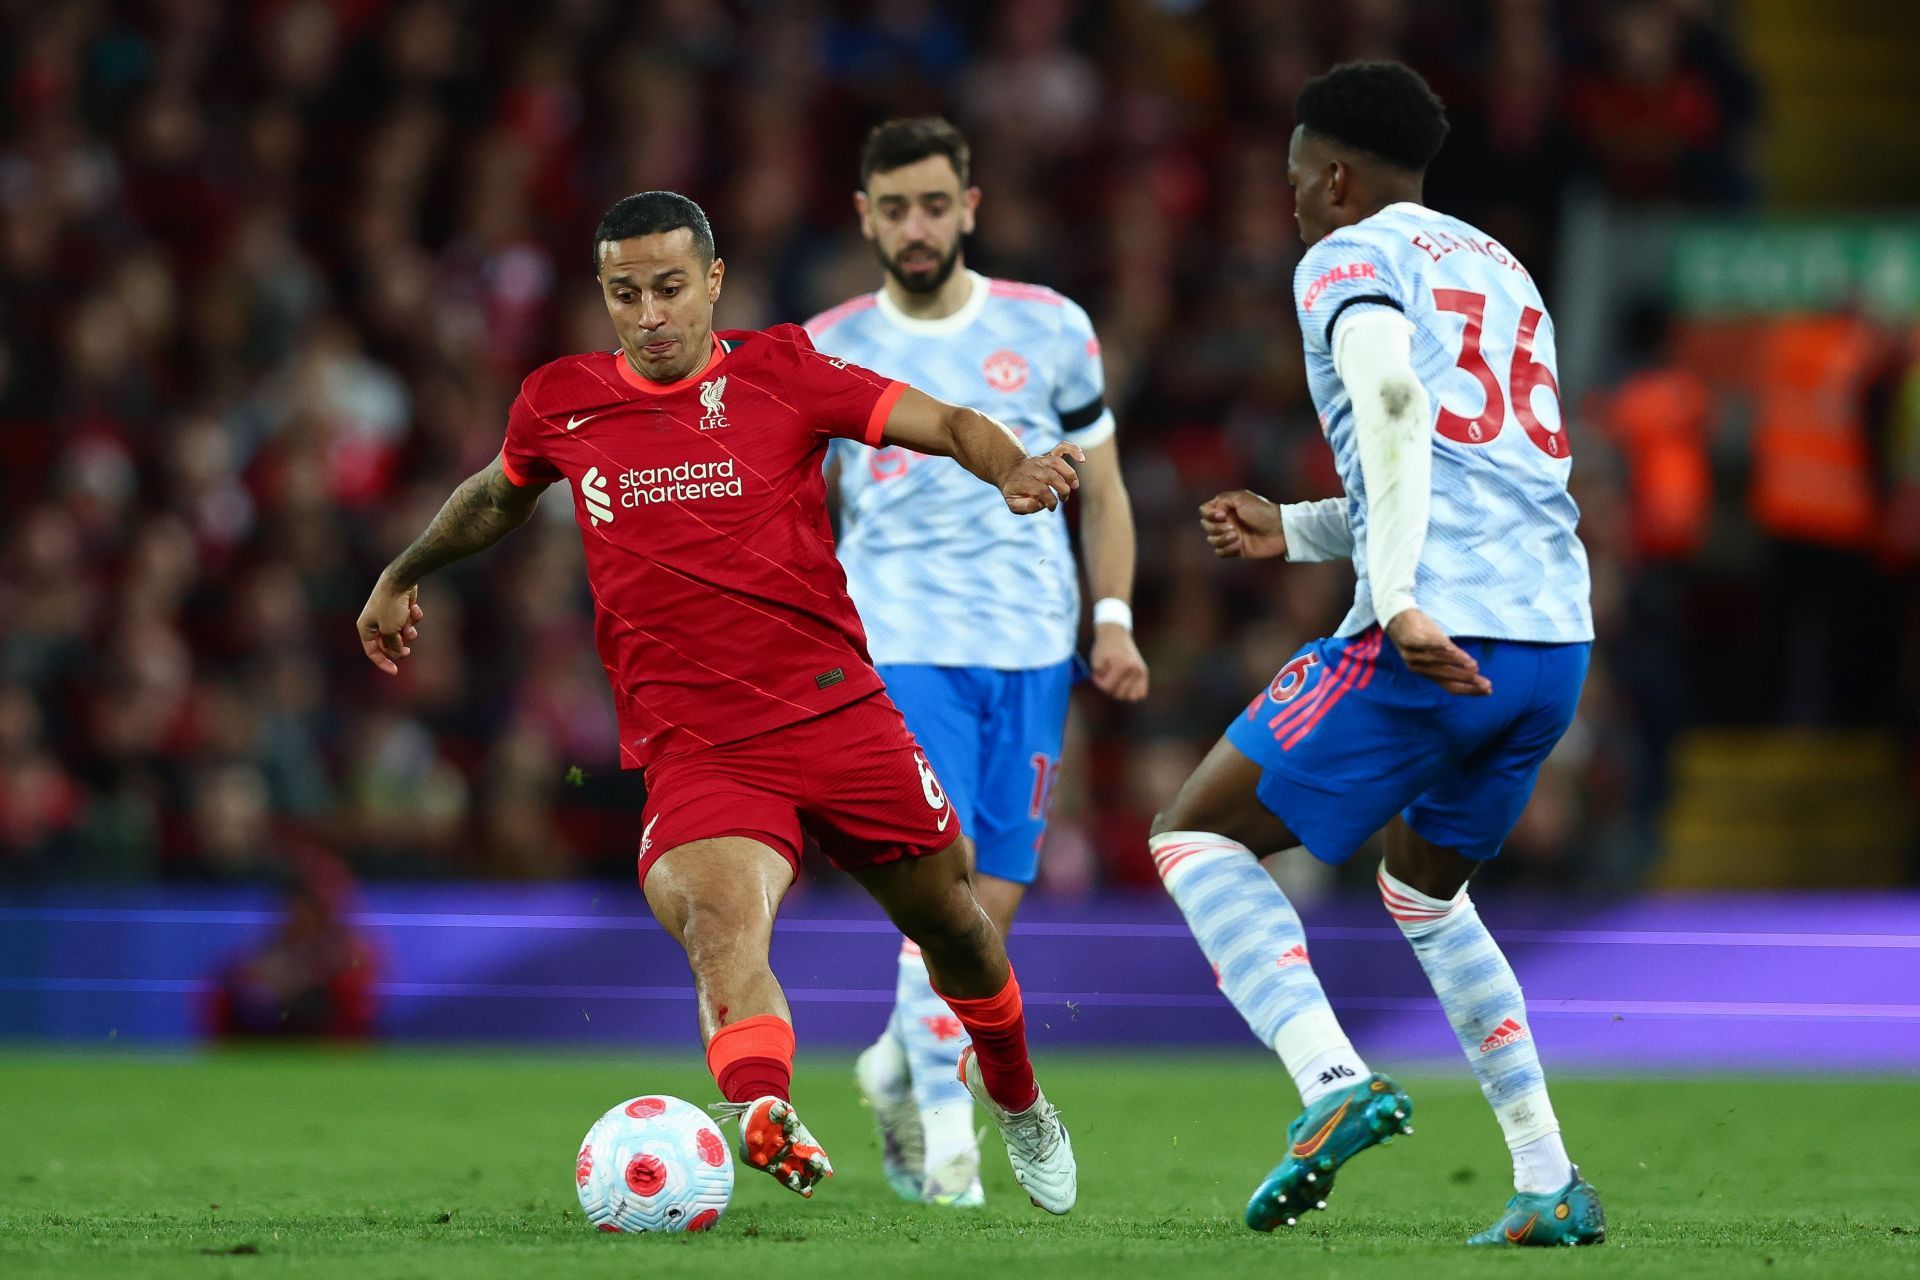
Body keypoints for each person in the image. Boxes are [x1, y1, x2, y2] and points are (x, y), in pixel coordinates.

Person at [354, 191, 1079, 1214]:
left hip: (838, 714)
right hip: (700, 748)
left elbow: (949, 420)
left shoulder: (782, 371)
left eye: (667, 288)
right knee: (720, 925)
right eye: (623, 293)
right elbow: (493, 496)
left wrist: (1010, 469)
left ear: (713, 282)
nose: (648, 314)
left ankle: (1018, 1096)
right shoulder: (560, 400)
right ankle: (761, 1107)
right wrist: (404, 568)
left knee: (956, 923)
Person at [1150, 62, 1606, 1246]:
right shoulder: (1502, 270)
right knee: (1422, 890)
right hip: (1552, 637)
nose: (1293, 201)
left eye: (1299, 180)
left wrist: (1395, 599)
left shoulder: (1345, 256)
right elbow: (1478, 473)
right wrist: (1300, 527)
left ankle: (1329, 1081)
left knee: (1194, 833)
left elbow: (1395, 402)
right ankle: (1549, 1177)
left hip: (1437, 628)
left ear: (1337, 177)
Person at [806, 116, 1148, 1207]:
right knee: (939, 897)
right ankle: (952, 1147)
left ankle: (900, 1063)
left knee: (985, 913)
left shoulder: (1051, 329)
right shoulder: (824, 343)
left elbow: (1107, 486)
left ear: (971, 207)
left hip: (1032, 649)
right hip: (900, 645)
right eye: (894, 207)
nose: (916, 226)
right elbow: (802, 516)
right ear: (864, 216)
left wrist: (1114, 615)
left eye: (934, 204)